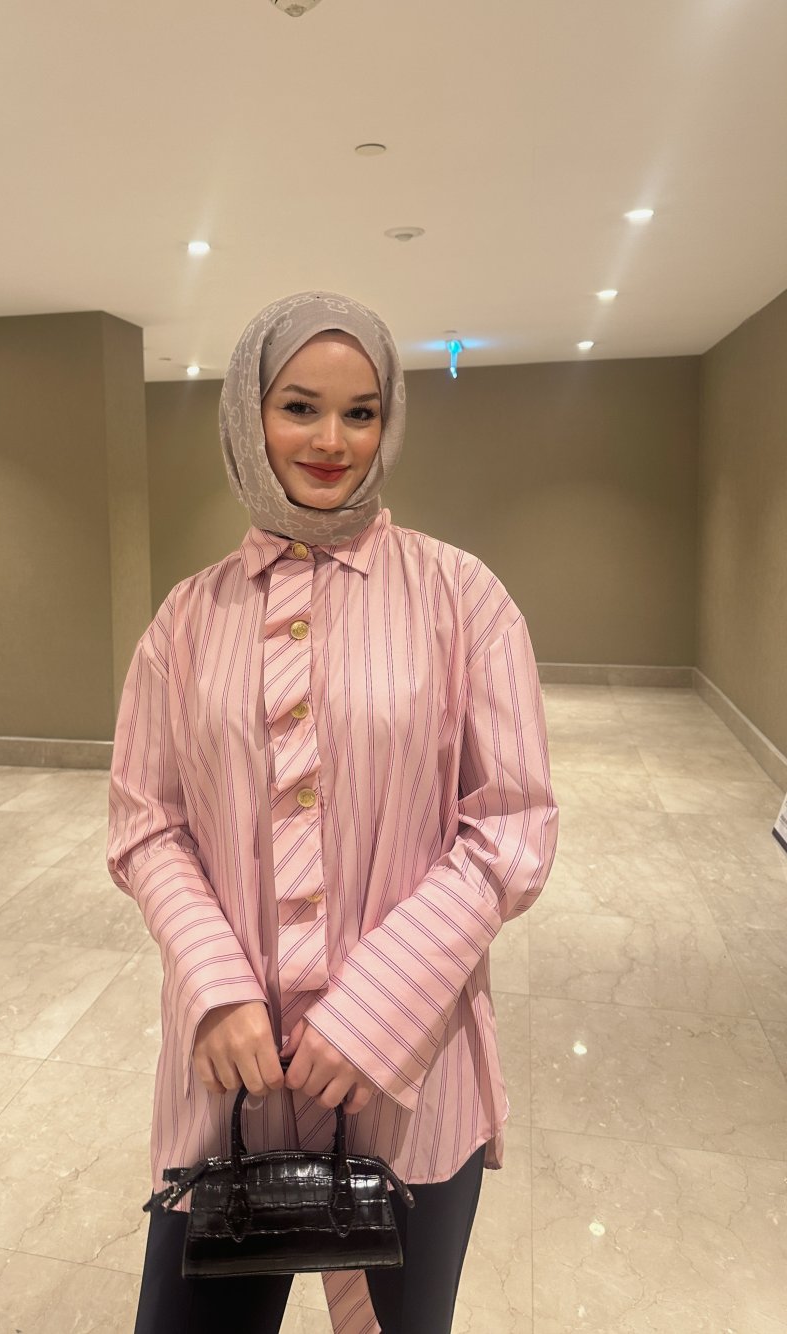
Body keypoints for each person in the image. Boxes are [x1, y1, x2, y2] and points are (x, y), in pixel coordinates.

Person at [107, 291, 558, 1334]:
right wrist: (215, 985)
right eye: (299, 406)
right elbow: (146, 822)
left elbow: (512, 826)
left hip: (412, 1079)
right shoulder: (185, 621)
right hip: (232, 1079)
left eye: (361, 412)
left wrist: (375, 1009)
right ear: (247, 415)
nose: (331, 440)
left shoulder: (464, 599)